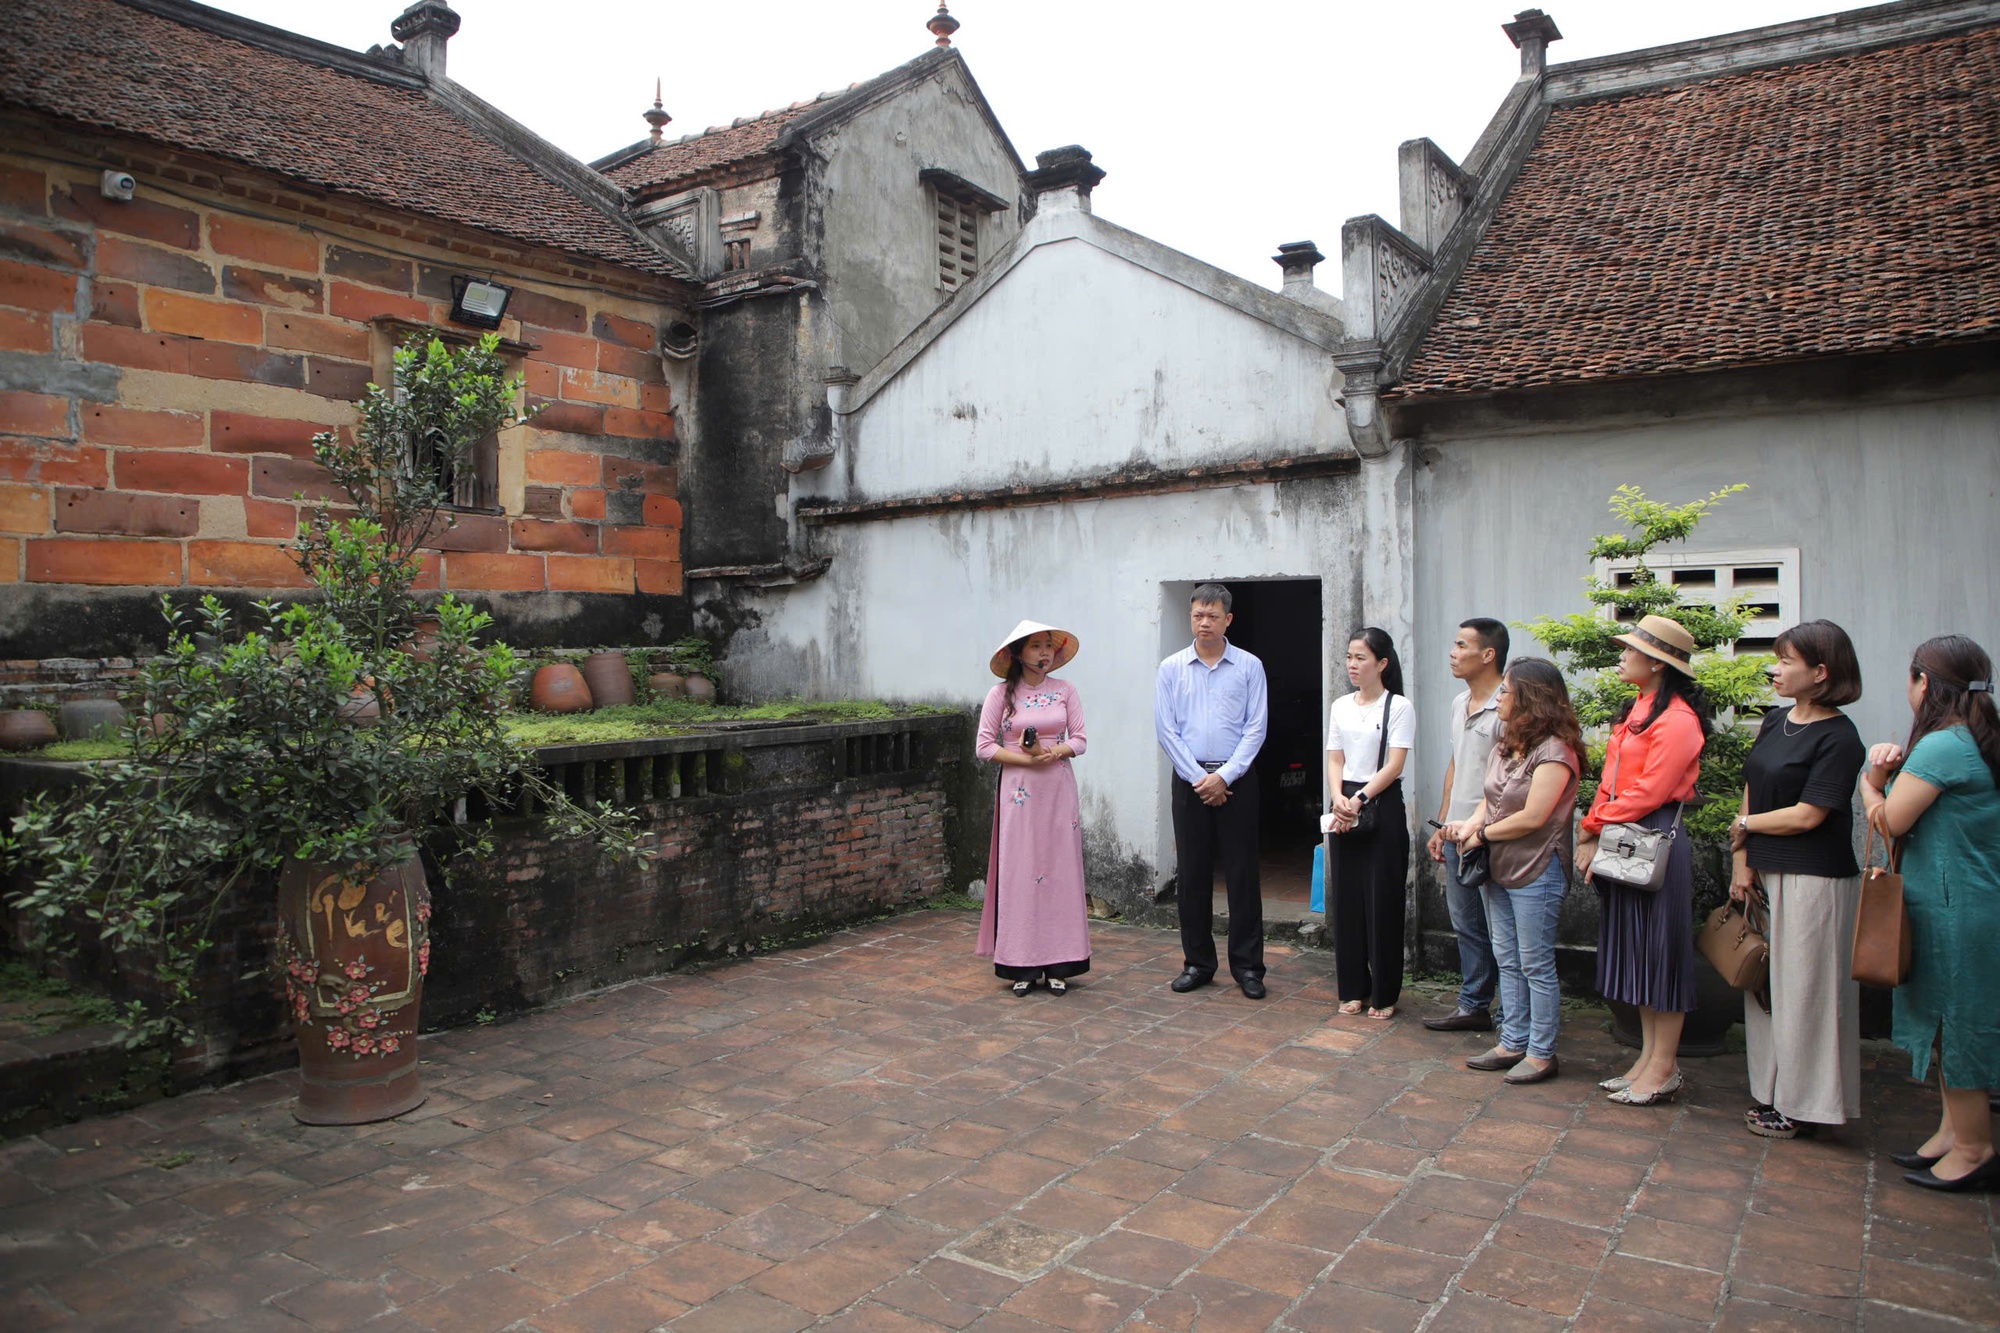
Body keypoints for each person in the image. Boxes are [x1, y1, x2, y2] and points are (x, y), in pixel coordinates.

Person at [1860, 634, 2000, 1191]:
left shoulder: (1945, 745)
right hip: (1965, 900)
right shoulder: (1981, 739)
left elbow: (1889, 820)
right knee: (1949, 1021)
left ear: (1925, 682)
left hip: (1953, 906)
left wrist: (1871, 782)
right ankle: (1951, 1131)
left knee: (1957, 1022)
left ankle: (1973, 1146)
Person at [1729, 620, 1867, 1140]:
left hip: (1815, 878)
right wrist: (1742, 862)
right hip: (1765, 871)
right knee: (1765, 986)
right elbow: (1752, 787)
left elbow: (1810, 814)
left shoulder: (1840, 736)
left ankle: (1807, 1103)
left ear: (1821, 672)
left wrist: (1746, 827)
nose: (1776, 669)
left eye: (1787, 661)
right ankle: (1770, 1090)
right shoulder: (1775, 721)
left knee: (1808, 991)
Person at [1580, 614, 1710, 1107]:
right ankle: (1650, 1059)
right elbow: (1613, 781)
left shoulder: (1677, 720)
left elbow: (1650, 791)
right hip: (1626, 833)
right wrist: (1596, 822)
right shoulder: (1639, 710)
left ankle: (1663, 1066)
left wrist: (1593, 824)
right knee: (1636, 952)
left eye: (1630, 650)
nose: (1622, 655)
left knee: (1661, 955)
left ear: (1656, 664)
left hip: (1655, 837)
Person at [1450, 658, 1581, 1084]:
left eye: (1507, 691)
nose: (1500, 697)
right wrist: (1468, 825)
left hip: (1537, 867)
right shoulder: (1509, 741)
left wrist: (1482, 836)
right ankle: (1512, 1040)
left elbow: (1534, 817)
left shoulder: (1556, 751)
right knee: (1507, 957)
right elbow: (1490, 799)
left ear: (1531, 699)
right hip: (1500, 867)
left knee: (1535, 963)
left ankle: (1542, 1052)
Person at [1156, 584, 1269, 999]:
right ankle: (1198, 963)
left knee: (1242, 874)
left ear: (1228, 620)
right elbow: (1166, 730)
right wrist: (1199, 778)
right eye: (1197, 615)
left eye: (1212, 616)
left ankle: (1248, 967)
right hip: (1189, 783)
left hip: (1238, 781)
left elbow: (1256, 727)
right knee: (1192, 875)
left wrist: (1226, 776)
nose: (1204, 622)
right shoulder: (1171, 668)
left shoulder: (1249, 666)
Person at [975, 620, 1090, 997]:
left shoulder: (1066, 691)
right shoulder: (1000, 696)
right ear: (1018, 654)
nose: (1044, 653)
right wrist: (1026, 760)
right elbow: (985, 747)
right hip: (1019, 793)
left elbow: (1081, 739)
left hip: (1058, 790)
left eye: (1048, 646)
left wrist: (1053, 752)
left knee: (1060, 871)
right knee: (1020, 872)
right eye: (1036, 646)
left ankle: (1061, 963)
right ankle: (1021, 963)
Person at [1326, 627, 1415, 1018]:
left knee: (1382, 900)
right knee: (1347, 900)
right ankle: (1352, 989)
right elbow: (1334, 757)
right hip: (1344, 801)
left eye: (1360, 657)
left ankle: (1385, 994)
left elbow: (1395, 764)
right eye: (1349, 657)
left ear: (1382, 663)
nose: (1352, 664)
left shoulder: (1399, 707)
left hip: (1380, 803)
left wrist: (1360, 799)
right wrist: (1339, 798)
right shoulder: (1340, 705)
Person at [1425, 618, 1508, 1034]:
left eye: (1461, 645)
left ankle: (1512, 1015)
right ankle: (1474, 1003)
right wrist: (1443, 823)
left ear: (1488, 654)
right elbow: (1456, 764)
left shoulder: (1508, 706)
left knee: (1502, 930)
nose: (1453, 653)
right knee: (1466, 924)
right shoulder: (1461, 703)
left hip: (1493, 836)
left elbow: (1512, 779)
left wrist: (1482, 826)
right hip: (1458, 832)